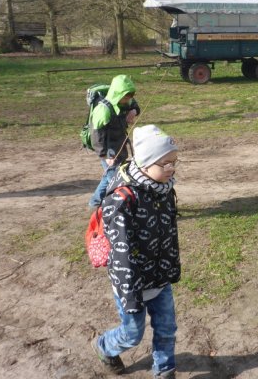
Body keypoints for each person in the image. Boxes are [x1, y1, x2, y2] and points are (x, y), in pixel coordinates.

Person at [92, 124, 181, 379]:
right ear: (144, 163)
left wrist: (171, 267)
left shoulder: (163, 189)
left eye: (174, 162)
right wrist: (131, 295)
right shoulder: (122, 200)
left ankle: (164, 370)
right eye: (165, 163)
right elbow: (121, 254)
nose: (172, 168)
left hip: (159, 277)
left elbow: (169, 233)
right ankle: (104, 346)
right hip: (131, 283)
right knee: (132, 334)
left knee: (167, 328)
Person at [88, 74, 140, 208]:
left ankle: (95, 202)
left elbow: (134, 104)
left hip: (120, 146)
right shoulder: (103, 109)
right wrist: (104, 155)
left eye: (129, 97)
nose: (128, 101)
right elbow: (96, 135)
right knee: (115, 179)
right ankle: (119, 206)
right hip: (109, 151)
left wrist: (134, 111)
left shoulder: (126, 101)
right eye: (126, 97)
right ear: (118, 94)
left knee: (110, 177)